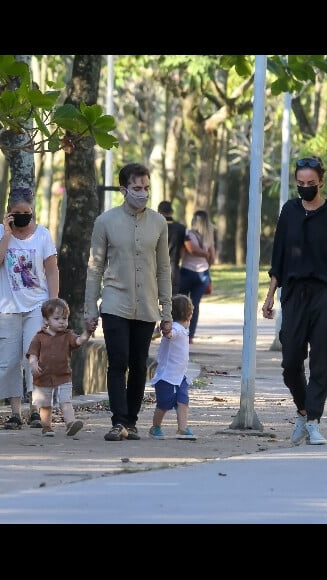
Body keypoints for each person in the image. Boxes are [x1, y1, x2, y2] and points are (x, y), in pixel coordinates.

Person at [262, 155, 327, 446]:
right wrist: (269, 296)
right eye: (300, 184)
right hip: (294, 294)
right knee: (291, 359)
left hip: (326, 294)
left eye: (311, 184)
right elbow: (278, 257)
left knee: (320, 360)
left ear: (321, 182)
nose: (306, 188)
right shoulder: (289, 211)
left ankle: (314, 422)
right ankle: (303, 411)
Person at [84, 162, 173, 442]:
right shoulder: (105, 222)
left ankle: (131, 422)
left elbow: (163, 268)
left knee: (138, 364)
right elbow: (95, 268)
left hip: (146, 305)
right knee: (118, 361)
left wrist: (167, 310)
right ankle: (118, 422)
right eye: (136, 188)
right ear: (123, 189)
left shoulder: (159, 223)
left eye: (146, 188)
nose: (142, 193)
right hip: (114, 302)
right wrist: (90, 309)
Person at [0, 186, 60, 430]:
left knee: (34, 358)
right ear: (8, 213)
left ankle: (35, 410)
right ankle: (15, 412)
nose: (22, 216)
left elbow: (51, 270)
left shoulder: (43, 235)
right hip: (7, 307)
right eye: (17, 213)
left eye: (26, 212)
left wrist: (53, 304)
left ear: (33, 211)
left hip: (36, 306)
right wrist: (7, 234)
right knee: (7, 361)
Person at [26, 298, 90, 437]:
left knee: (65, 401)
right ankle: (47, 427)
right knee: (45, 405)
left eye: (64, 318)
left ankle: (71, 423)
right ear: (46, 320)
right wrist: (33, 364)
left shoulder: (68, 335)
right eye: (57, 318)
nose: (62, 321)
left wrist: (87, 333)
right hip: (43, 377)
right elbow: (32, 354)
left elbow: (79, 341)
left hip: (63, 376)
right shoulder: (39, 337)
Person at [149, 294, 197, 440]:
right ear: (189, 315)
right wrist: (167, 330)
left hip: (180, 376)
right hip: (166, 376)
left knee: (183, 401)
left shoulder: (181, 329)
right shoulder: (176, 329)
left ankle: (182, 428)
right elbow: (171, 334)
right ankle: (155, 427)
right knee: (164, 404)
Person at [179, 209, 216, 344]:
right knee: (195, 305)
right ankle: (190, 335)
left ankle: (180, 330)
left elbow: (189, 250)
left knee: (181, 303)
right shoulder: (209, 237)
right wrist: (206, 260)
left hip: (187, 271)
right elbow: (212, 257)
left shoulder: (188, 234)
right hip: (203, 274)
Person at [152, 200, 187, 339]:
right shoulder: (180, 228)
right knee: (171, 299)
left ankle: (155, 327)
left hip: (155, 266)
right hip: (173, 266)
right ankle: (169, 326)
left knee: (153, 298)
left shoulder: (153, 226)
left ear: (159, 211)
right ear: (172, 212)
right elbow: (184, 250)